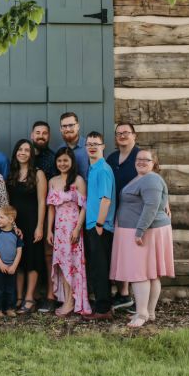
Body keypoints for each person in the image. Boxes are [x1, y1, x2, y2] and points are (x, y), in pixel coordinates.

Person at [110, 150, 175, 328]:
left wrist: (139, 231)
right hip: (140, 230)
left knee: (139, 274)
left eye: (146, 159)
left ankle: (141, 313)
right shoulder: (141, 178)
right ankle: (150, 312)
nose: (141, 162)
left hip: (143, 231)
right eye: (139, 159)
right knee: (151, 274)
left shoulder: (151, 179)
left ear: (154, 163)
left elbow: (151, 206)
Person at [46, 147, 91, 317]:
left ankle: (72, 302)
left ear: (71, 161)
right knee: (62, 264)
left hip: (73, 228)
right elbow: (51, 208)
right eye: (59, 160)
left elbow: (84, 207)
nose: (62, 163)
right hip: (59, 230)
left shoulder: (78, 180)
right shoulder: (52, 181)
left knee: (72, 264)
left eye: (66, 160)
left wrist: (77, 229)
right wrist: (49, 231)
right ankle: (66, 299)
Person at [6, 139, 47, 315]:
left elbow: (42, 202)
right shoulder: (12, 174)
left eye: (26, 150)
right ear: (15, 152)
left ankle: (30, 298)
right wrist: (11, 224)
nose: (22, 152)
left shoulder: (38, 174)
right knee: (19, 260)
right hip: (16, 224)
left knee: (32, 259)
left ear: (31, 154)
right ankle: (19, 297)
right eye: (20, 149)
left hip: (32, 223)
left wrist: (40, 226)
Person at [82, 131, 117, 320]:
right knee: (96, 267)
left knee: (100, 268)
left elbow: (106, 199)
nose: (92, 147)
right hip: (93, 225)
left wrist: (100, 224)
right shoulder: (93, 168)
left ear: (103, 146)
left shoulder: (103, 169)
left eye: (96, 144)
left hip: (100, 226)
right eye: (89, 144)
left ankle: (103, 310)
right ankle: (102, 306)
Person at [106, 122, 140, 311]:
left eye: (126, 132)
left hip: (136, 213)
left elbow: (155, 179)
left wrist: (164, 201)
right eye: (119, 133)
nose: (122, 135)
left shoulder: (140, 156)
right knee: (119, 254)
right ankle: (123, 295)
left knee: (135, 255)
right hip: (115, 212)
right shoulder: (112, 158)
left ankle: (138, 299)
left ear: (134, 135)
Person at [31, 121, 58, 312]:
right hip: (27, 211)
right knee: (30, 254)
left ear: (49, 136)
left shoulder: (53, 158)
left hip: (48, 211)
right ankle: (30, 295)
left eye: (44, 133)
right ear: (32, 135)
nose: (41, 136)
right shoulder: (25, 155)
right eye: (38, 132)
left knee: (49, 254)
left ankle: (50, 295)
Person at [0, 206, 24, 319]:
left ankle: (10, 308)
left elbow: (19, 251)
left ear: (11, 219)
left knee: (10, 289)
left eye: (1, 217)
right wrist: (0, 264)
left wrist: (14, 266)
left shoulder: (16, 234)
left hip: (11, 267)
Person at [58, 112, 89, 180]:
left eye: (71, 125)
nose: (68, 129)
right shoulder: (60, 150)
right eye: (64, 126)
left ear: (78, 126)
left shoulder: (89, 146)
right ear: (60, 129)